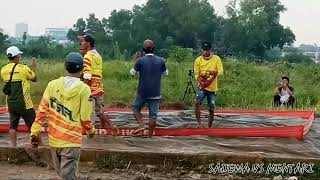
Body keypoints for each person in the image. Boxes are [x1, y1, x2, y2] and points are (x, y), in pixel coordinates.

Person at [30, 52, 96, 180]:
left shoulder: (52, 85)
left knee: (62, 176)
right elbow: (85, 118)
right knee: (68, 177)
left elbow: (42, 111)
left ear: (65, 66)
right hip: (71, 142)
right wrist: (91, 131)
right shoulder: (84, 89)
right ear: (82, 69)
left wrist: (35, 132)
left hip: (54, 141)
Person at [77, 34, 118, 135]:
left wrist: (85, 91)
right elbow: (96, 71)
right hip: (99, 87)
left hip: (90, 88)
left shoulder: (87, 57)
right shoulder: (98, 56)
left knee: (88, 112)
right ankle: (108, 126)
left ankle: (89, 132)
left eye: (82, 42)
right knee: (99, 111)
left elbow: (87, 76)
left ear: (88, 43)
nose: (80, 44)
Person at [130, 39, 168, 137]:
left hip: (142, 91)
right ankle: (150, 136)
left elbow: (132, 73)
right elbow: (166, 74)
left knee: (135, 108)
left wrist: (135, 60)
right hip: (155, 92)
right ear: (154, 49)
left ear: (143, 49)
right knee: (153, 116)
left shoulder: (140, 60)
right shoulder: (161, 60)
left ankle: (141, 125)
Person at [0, 46, 37, 146]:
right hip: (25, 103)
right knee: (34, 127)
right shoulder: (23, 68)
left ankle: (13, 146)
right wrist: (33, 67)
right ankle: (37, 147)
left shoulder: (3, 70)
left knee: (13, 126)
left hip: (11, 103)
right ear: (17, 56)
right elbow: (34, 78)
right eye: (19, 55)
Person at [194, 42, 224, 128]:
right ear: (202, 50)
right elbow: (196, 73)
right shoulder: (198, 60)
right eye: (204, 50)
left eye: (207, 50)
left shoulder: (216, 59)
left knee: (211, 108)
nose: (205, 52)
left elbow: (221, 71)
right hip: (202, 86)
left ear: (210, 50)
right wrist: (199, 79)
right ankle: (199, 123)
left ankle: (209, 127)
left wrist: (213, 72)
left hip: (212, 88)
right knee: (197, 102)